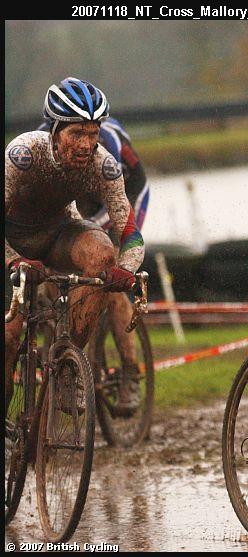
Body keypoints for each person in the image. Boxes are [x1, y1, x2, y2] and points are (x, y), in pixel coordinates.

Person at [5, 77, 145, 412]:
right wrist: (13, 262)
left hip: (56, 232)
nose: (86, 144)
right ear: (55, 131)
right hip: (12, 240)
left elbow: (131, 232)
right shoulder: (23, 155)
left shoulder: (104, 165)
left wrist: (125, 269)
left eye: (93, 134)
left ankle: (68, 365)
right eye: (77, 134)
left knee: (103, 254)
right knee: (9, 337)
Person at [37, 115, 150, 415]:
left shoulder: (110, 148)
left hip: (125, 197)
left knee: (108, 278)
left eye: (91, 135)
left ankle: (130, 372)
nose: (84, 143)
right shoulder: (39, 145)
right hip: (78, 203)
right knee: (53, 268)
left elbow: (125, 201)